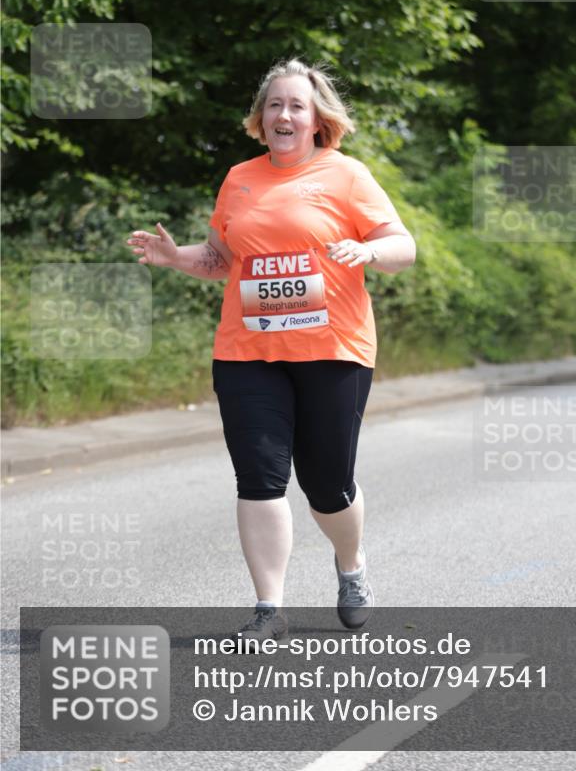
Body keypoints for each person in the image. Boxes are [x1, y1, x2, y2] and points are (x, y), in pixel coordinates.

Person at [126, 58, 416, 642]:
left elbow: (402, 243)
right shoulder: (239, 178)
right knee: (258, 477)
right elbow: (222, 260)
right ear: (262, 117)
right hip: (247, 351)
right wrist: (176, 258)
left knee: (328, 483)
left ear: (316, 120)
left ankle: (351, 566)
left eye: (296, 106)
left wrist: (369, 254)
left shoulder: (347, 175)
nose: (284, 114)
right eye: (275, 105)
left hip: (333, 348)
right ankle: (269, 608)